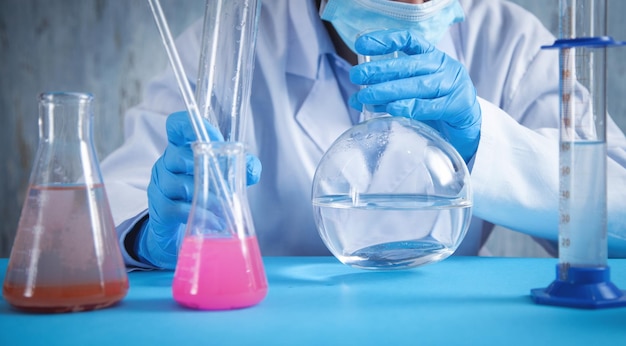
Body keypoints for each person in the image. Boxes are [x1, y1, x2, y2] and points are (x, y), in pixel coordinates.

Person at [100, 0, 626, 270]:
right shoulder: (231, 42)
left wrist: (482, 141)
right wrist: (148, 236)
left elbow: (619, 213)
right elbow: (108, 203)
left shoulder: (507, 39)